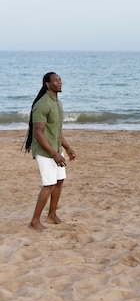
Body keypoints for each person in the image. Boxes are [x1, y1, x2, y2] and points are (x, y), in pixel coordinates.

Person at [24, 72, 76, 232]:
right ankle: (34, 221)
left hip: (56, 150)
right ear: (47, 84)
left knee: (59, 181)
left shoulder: (57, 103)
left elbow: (56, 130)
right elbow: (38, 133)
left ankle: (52, 215)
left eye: (60, 80)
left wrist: (67, 147)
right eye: (55, 81)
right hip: (45, 151)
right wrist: (54, 153)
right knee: (49, 184)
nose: (59, 83)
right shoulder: (43, 104)